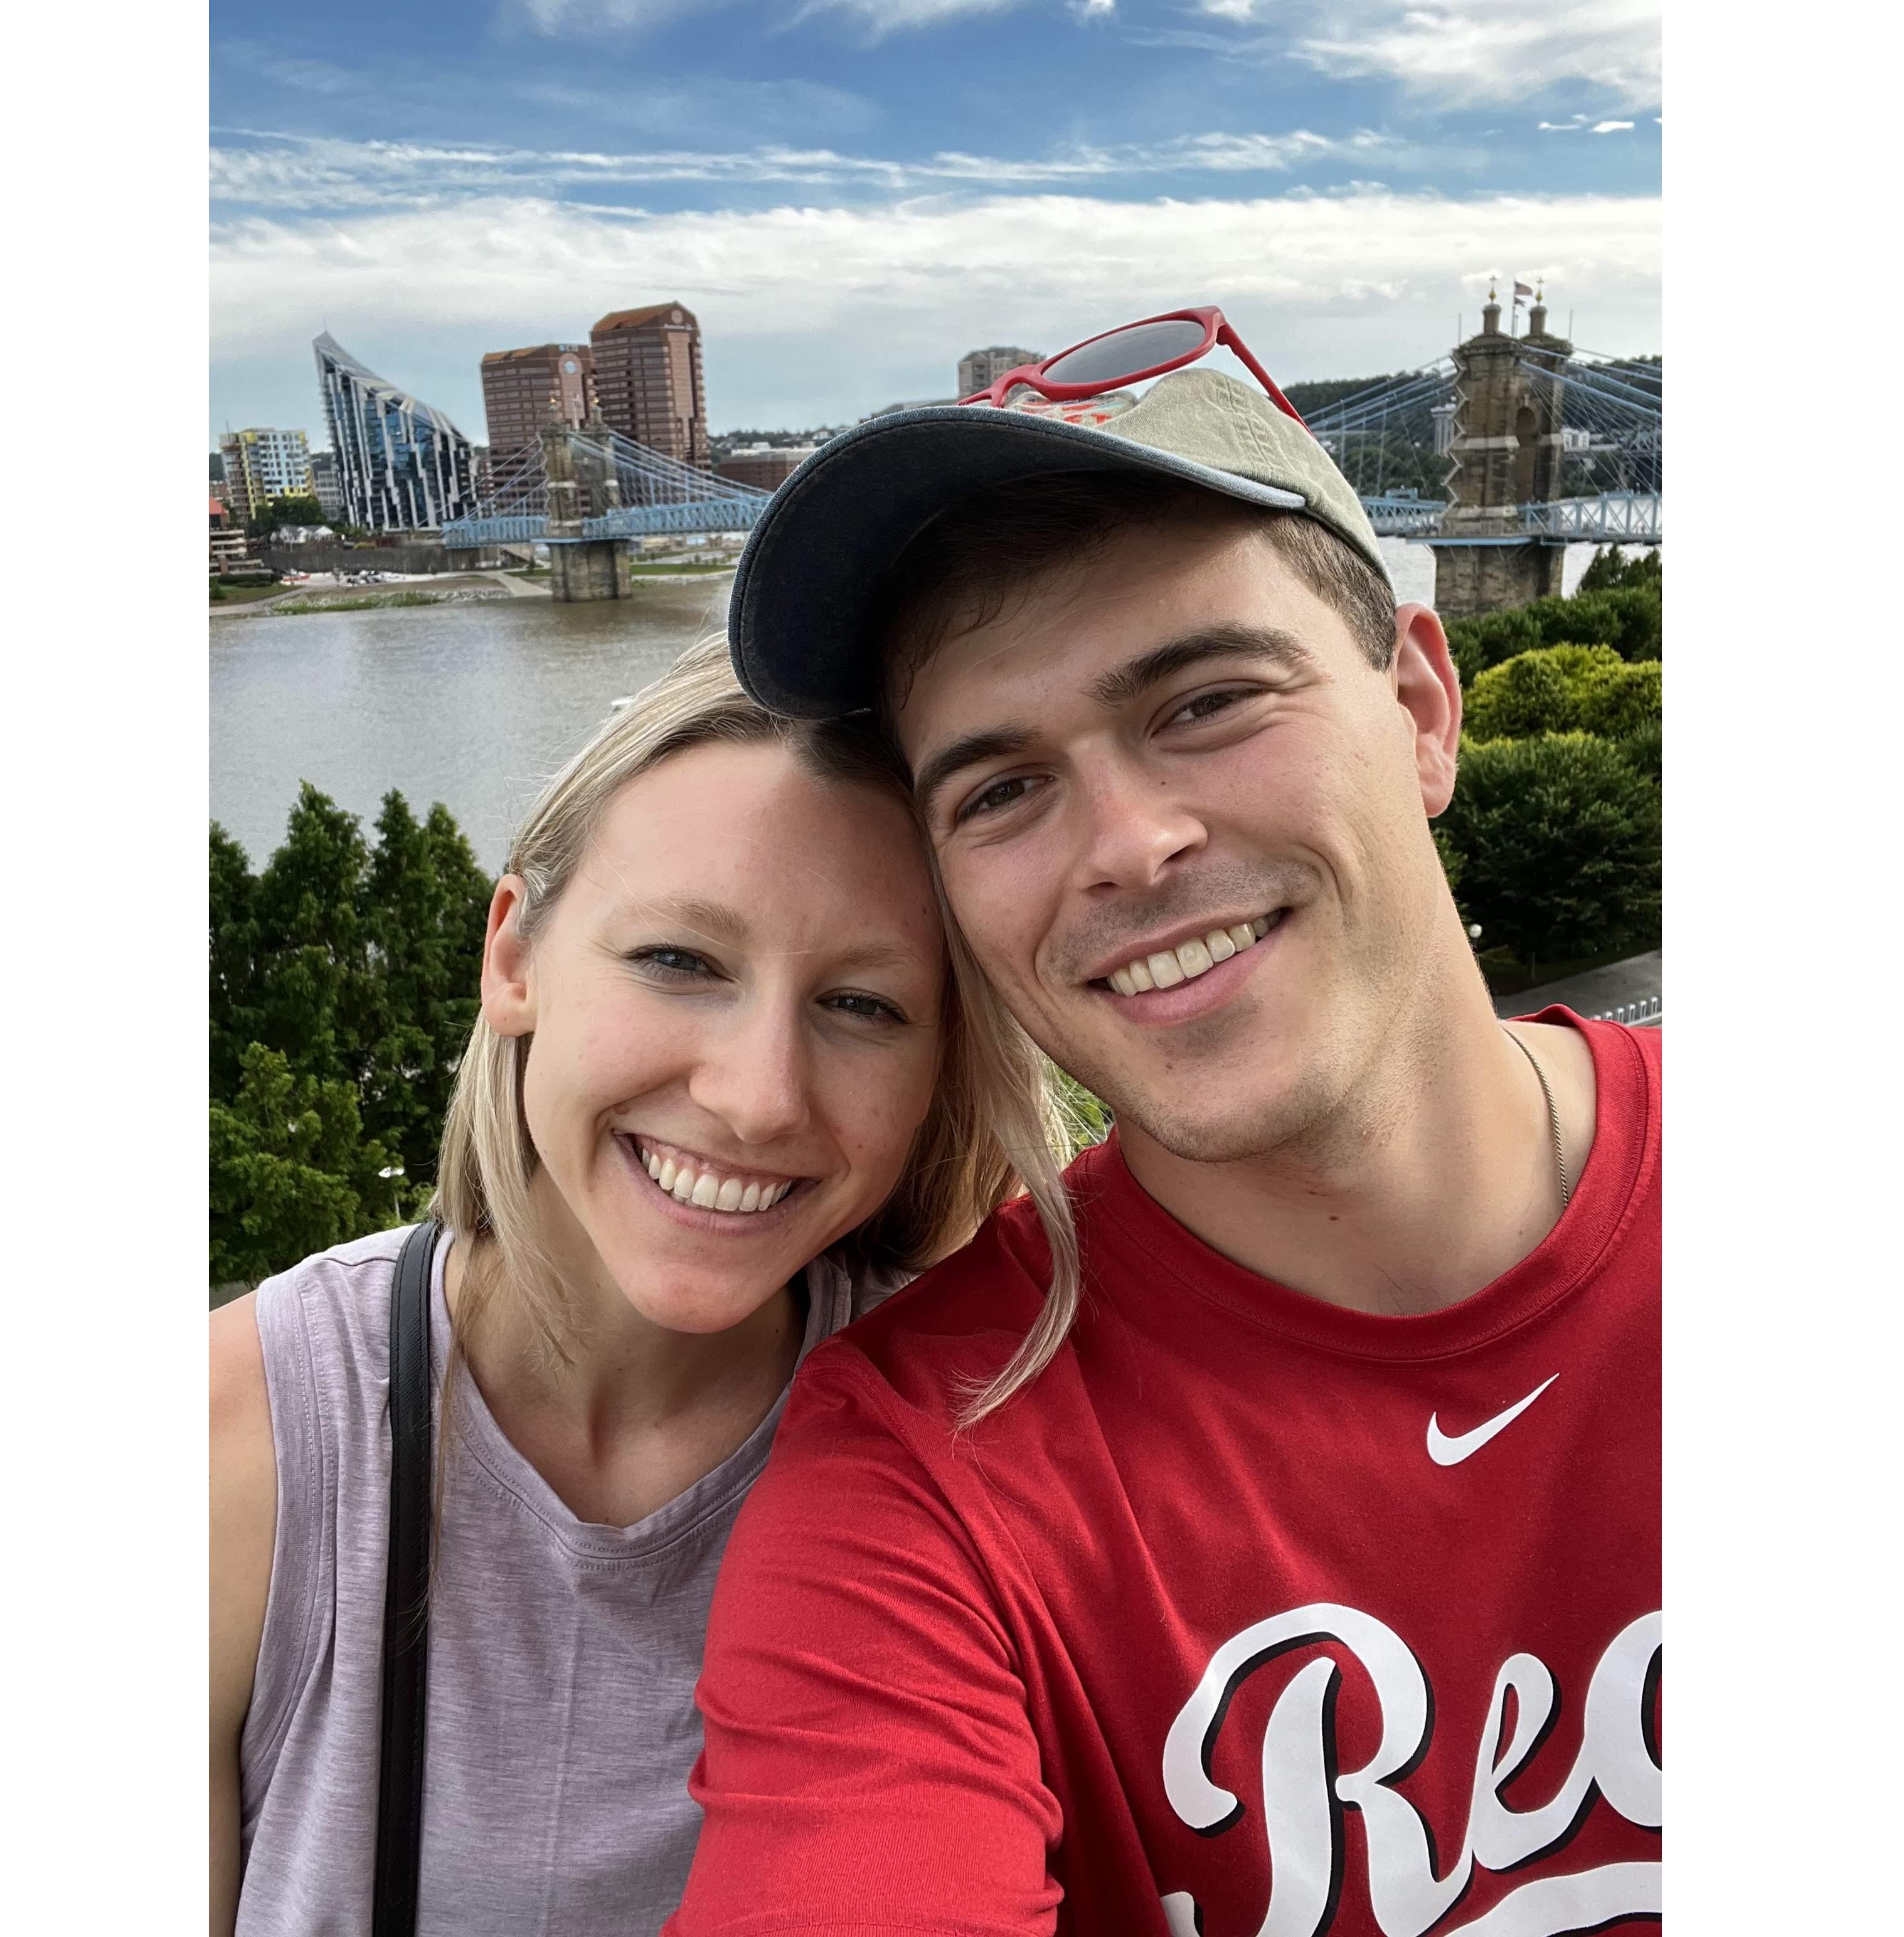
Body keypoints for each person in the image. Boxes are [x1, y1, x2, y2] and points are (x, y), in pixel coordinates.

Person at [671, 316, 1660, 1936]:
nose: (1127, 846)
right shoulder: (917, 1499)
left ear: (1422, 708)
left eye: (1205, 701)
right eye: (998, 791)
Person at [208, 635, 1070, 1936]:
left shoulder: (985, 1436)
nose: (756, 1094)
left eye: (861, 1004)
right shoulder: (233, 1442)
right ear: (514, 959)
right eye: (679, 960)